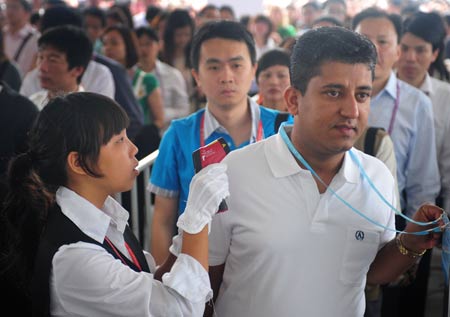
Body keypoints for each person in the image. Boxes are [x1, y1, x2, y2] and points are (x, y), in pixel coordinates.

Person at [204, 26, 444, 317]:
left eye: (363, 95)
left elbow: (369, 271)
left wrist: (411, 241)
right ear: (293, 100)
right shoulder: (234, 172)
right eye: (334, 92)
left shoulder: (377, 176)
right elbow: (206, 281)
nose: (352, 110)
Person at [0, 91, 229, 316]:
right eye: (119, 140)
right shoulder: (75, 257)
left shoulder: (100, 216)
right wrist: (196, 218)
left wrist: (184, 237)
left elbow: (150, 282)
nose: (134, 148)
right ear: (78, 162)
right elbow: (182, 310)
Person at [148, 20, 290, 265]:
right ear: (196, 76)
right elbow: (162, 220)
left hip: (268, 268)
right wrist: (164, 284)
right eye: (213, 67)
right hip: (198, 271)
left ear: (253, 69)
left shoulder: (286, 129)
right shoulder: (179, 135)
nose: (226, 77)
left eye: (236, 65)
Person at [353, 8, 441, 317]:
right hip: (342, 222)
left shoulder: (416, 103)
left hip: (395, 225)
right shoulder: (339, 96)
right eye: (364, 39)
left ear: (398, 50)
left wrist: (413, 242)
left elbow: (423, 179)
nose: (373, 48)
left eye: (383, 41)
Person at [395, 11, 450, 317]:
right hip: (383, 204)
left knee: (413, 295)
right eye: (404, 48)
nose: (410, 57)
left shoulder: (445, 98)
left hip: (428, 206)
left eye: (421, 50)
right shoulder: (375, 92)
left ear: (435, 53)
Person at [135, 26, 189, 131]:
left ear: (159, 45)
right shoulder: (130, 75)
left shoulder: (172, 74)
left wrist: (160, 113)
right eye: (139, 45)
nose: (143, 49)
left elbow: (184, 109)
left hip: (166, 133)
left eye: (148, 44)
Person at [29, 25, 92, 110]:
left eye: (53, 60)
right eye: (41, 57)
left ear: (78, 70)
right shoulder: (32, 104)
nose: (42, 68)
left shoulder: (89, 112)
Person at [3, 0, 39, 77]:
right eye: (7, 7)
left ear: (27, 13)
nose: (9, 11)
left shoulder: (35, 39)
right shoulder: (2, 34)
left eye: (14, 7)